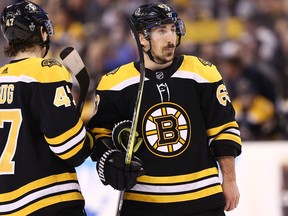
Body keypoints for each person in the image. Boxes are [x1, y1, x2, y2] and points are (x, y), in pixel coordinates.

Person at [87, 2, 242, 216]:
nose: (170, 39)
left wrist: (230, 180)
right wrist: (109, 160)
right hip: (144, 204)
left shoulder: (202, 72)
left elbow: (223, 130)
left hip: (203, 201)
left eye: (172, 29)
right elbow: (99, 137)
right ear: (142, 38)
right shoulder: (115, 84)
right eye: (161, 31)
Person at [0, 1, 95, 215]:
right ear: (43, 32)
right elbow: (71, 149)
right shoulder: (46, 71)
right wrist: (91, 139)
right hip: (48, 200)